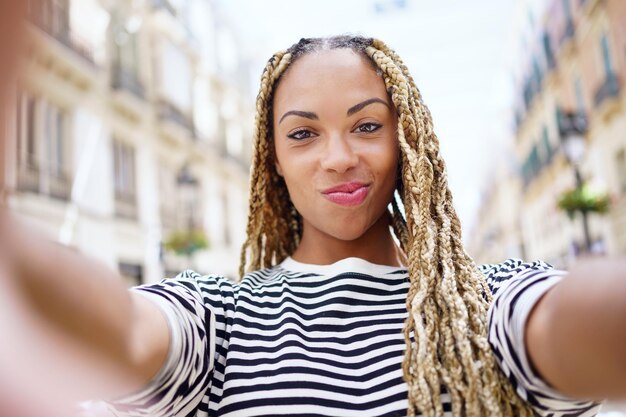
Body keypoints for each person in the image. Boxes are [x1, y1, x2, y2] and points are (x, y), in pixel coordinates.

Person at [1, 32, 626, 417]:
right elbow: (124, 329)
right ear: (274, 160)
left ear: (406, 139)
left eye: (367, 125)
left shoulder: (484, 306)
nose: (338, 157)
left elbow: (579, 324)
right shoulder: (219, 319)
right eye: (303, 133)